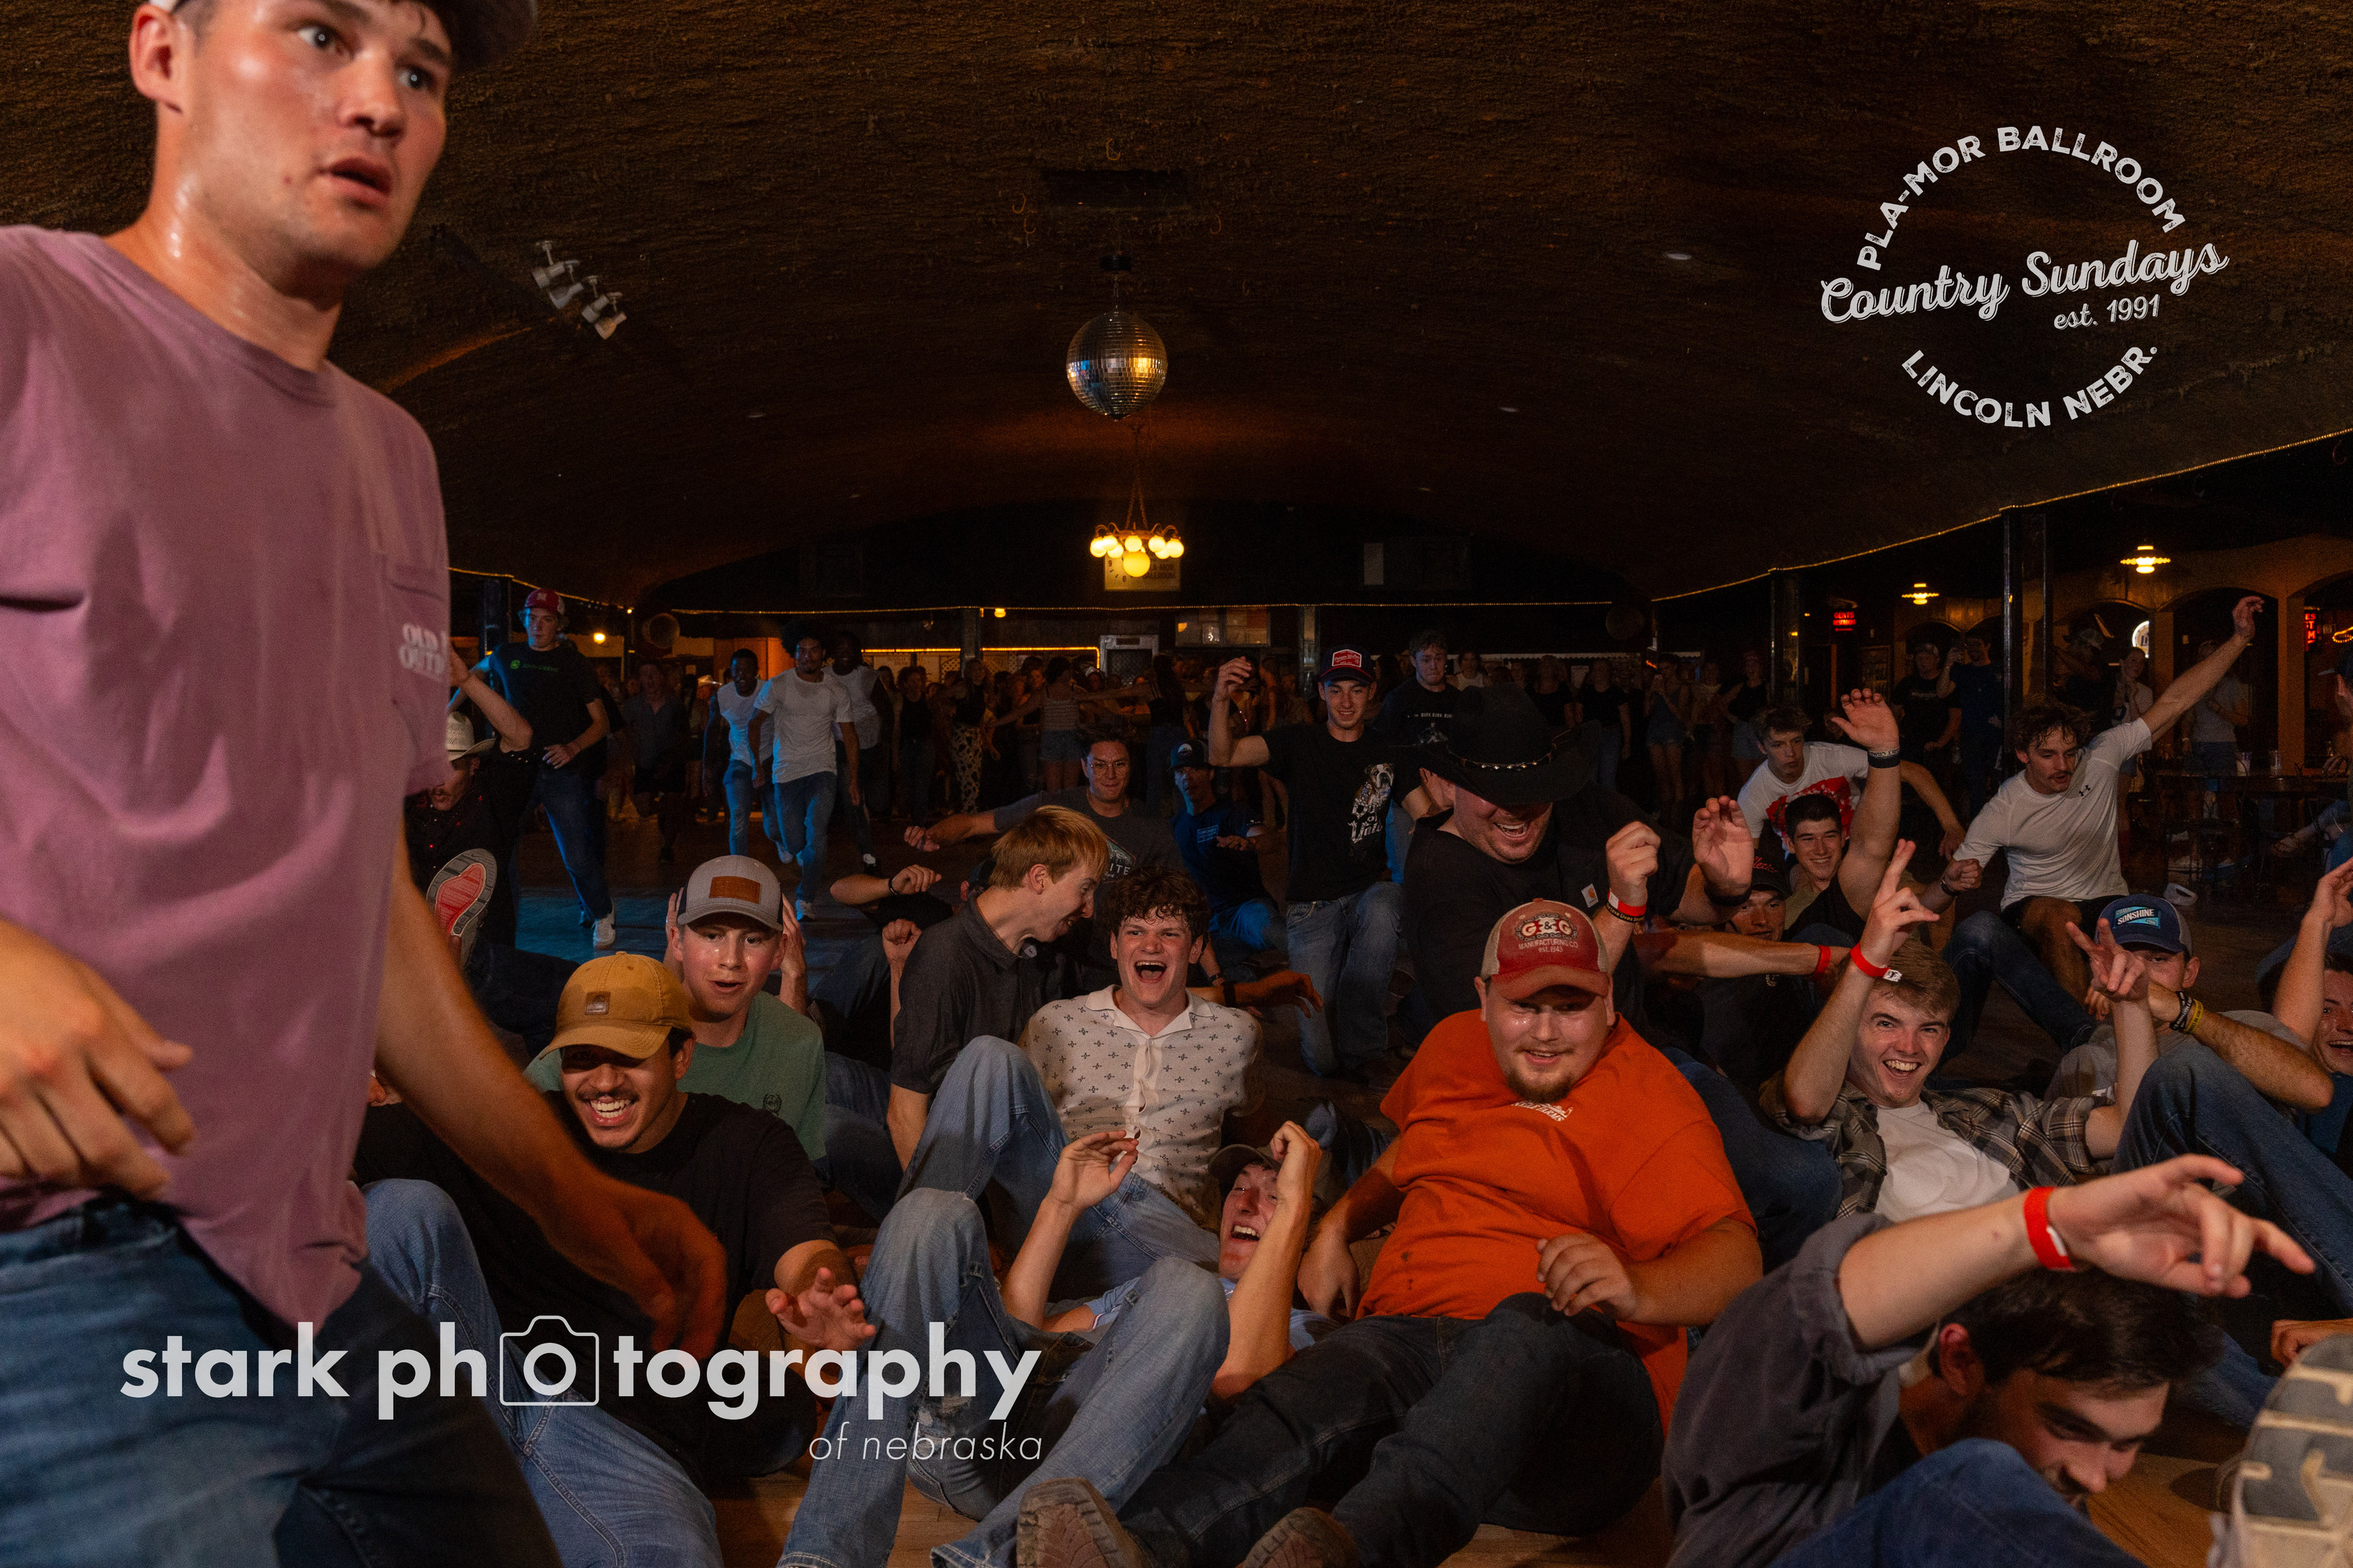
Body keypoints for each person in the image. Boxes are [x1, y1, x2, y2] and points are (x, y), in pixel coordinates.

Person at [0, 2, 735, 1559]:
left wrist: (563, 1194)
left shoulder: (392, 459)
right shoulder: (28, 316)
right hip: (47, 1274)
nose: (380, 102)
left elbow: (368, 899)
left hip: (304, 1268)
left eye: (419, 70)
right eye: (322, 34)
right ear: (161, 51)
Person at [1017, 900, 1761, 1568]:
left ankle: (1357, 1552)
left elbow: (1738, 1259)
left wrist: (1636, 1286)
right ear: (1483, 999)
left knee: (1526, 1325)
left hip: (1574, 1414)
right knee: (1308, 1390)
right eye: (1524, 1005)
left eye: (1571, 1006)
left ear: (1608, 1001)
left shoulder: (1650, 1092)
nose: (1544, 1031)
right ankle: (1142, 1545)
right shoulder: (1452, 1047)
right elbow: (1412, 1153)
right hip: (1414, 1345)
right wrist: (1338, 1226)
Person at [358, 955, 872, 1566]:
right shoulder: (518, 1133)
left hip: (624, 1440)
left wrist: (820, 1292)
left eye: (629, 1056)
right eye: (582, 1058)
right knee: (402, 1210)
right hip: (487, 1391)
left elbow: (805, 1250)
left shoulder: (746, 1144)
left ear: (680, 1056)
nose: (603, 1081)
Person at [1664, 1153, 2302, 1567]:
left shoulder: (2038, 1501)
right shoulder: (1805, 1434)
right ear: (1961, 1359)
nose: (2096, 1476)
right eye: (2071, 1427)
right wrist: (2046, 1225)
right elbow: (1818, 1310)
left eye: (2128, 1443)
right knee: (1976, 1481)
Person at [1402, 686, 1838, 1269]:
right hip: (1529, 1091)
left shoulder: (1585, 809)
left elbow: (1687, 892)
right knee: (1641, 1227)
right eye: (1494, 792)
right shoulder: (1439, 873)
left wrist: (1725, 884)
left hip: (1638, 1054)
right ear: (1446, 784)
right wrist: (1623, 908)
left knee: (1805, 1182)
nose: (1518, 810)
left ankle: (1744, 1308)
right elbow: (1539, 1020)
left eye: (1536, 788)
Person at [779, 1124, 1326, 1568]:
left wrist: (1298, 1209)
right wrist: (1062, 1205)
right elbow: (1019, 1329)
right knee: (932, 1212)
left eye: (1274, 1194)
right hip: (988, 1424)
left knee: (1190, 1289)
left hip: (1081, 1466)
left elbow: (1236, 1373)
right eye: (1239, 1188)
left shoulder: (1304, 1330)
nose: (1247, 1202)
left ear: (1299, 1221)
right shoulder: (1153, 1286)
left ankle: (992, 1559)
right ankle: (821, 1560)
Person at [1924, 596, 2265, 1006]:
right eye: (2048, 756)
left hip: (2106, 899)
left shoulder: (2101, 755)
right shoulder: (2004, 808)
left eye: (2070, 753)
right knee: (2061, 918)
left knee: (2161, 925)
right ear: (2023, 755)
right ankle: (2082, 1030)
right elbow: (1941, 895)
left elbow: (2177, 700)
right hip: (2036, 906)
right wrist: (1948, 886)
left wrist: (2239, 639)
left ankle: (2156, 1028)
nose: (2063, 766)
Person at [1212, 647, 1435, 1081]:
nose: (1346, 701)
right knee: (1322, 1061)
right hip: (1311, 907)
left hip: (1367, 894)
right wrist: (1221, 697)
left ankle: (1365, 1043)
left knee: (1388, 900)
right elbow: (1224, 755)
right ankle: (1348, 1005)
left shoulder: (1388, 750)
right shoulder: (1299, 742)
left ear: (1372, 692)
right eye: (1336, 690)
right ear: (1321, 692)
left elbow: (1427, 817)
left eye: (1356, 690)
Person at [522, 856, 831, 1154]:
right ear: (677, 941)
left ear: (780, 951)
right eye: (712, 936)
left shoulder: (800, 1041)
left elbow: (796, 1167)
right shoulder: (622, 1020)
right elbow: (518, 1118)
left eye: (752, 940)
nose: (730, 960)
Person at [478, 587, 618, 948]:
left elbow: (601, 722)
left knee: (576, 854)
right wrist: (446, 711)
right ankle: (502, 925)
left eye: (547, 620)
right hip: (515, 767)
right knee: (502, 848)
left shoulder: (574, 663)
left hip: (559, 771)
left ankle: (602, 911)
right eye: (532, 619)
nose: (538, 626)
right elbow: (469, 677)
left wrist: (573, 747)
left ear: (559, 624)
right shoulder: (506, 654)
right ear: (524, 620)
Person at [411, 649, 536, 950]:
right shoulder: (412, 799)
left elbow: (520, 738)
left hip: (486, 951)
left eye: (451, 768)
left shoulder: (493, 796)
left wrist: (467, 681)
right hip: (423, 950)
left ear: (473, 765)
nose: (438, 781)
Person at [1737, 703, 1963, 859]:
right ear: (1762, 748)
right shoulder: (1754, 794)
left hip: (1857, 844)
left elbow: (1915, 772)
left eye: (1796, 741)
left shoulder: (1832, 757)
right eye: (1778, 745)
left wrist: (1952, 826)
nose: (1791, 753)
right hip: (1806, 859)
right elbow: (1747, 858)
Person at [754, 632, 860, 915]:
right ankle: (792, 847)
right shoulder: (779, 685)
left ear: (823, 653)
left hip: (822, 769)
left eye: (814, 650)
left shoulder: (836, 689)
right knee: (794, 842)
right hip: (786, 771)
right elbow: (755, 723)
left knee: (817, 830)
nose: (808, 656)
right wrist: (756, 764)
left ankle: (806, 898)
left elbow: (850, 735)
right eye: (802, 650)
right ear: (794, 654)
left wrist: (854, 779)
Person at [1169, 739, 1287, 970]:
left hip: (1244, 909)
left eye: (1196, 769)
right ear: (1174, 779)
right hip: (1206, 922)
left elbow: (1268, 840)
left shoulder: (1232, 813)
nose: (1188, 777)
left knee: (1277, 932)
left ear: (1211, 773)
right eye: (1181, 771)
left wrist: (1250, 843)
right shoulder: (1175, 826)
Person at [620, 658, 693, 864]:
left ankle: (667, 847)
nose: (650, 679)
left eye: (653, 674)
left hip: (672, 761)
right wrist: (627, 760)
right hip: (645, 761)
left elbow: (684, 735)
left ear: (661, 677)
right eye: (645, 675)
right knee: (644, 808)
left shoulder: (674, 705)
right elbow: (624, 734)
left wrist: (674, 759)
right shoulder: (632, 706)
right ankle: (664, 810)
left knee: (672, 803)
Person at [831, 634, 887, 871]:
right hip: (841, 746)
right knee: (853, 802)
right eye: (840, 648)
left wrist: (886, 747)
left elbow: (886, 712)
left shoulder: (867, 676)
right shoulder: (825, 677)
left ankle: (866, 836)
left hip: (870, 746)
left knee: (879, 802)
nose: (845, 654)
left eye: (850, 649)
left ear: (857, 653)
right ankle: (868, 855)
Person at [705, 648, 766, 857]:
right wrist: (707, 767)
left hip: (769, 758)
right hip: (740, 760)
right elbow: (712, 731)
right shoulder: (722, 696)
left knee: (775, 824)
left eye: (747, 669)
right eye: (736, 669)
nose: (741, 675)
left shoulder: (768, 691)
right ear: (730, 672)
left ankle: (780, 838)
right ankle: (739, 865)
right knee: (738, 815)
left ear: (756, 671)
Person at [1947, 633, 2006, 817]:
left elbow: (2013, 698)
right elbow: (1942, 692)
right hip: (1971, 736)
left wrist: (2004, 723)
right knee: (1975, 786)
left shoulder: (1999, 669)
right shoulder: (1962, 671)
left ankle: (1999, 824)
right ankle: (1978, 826)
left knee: (1999, 784)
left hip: (1995, 736)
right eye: (1969, 645)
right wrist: (1948, 664)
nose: (1972, 648)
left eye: (1976, 644)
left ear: (1987, 646)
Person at [1891, 638, 1959, 774]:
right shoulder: (1907, 683)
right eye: (1920, 658)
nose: (1923, 662)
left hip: (1938, 746)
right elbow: (1894, 714)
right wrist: (1896, 738)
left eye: (1927, 658)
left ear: (1937, 660)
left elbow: (1955, 718)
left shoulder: (1947, 684)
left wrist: (1940, 743)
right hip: (1911, 744)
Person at [2189, 635, 2254, 774]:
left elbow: (2243, 719)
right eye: (2204, 657)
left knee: (2223, 785)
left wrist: (2218, 709)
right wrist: (2185, 739)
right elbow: (2189, 717)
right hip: (2198, 744)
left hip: (2223, 745)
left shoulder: (2232, 684)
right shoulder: (2195, 684)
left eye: (2212, 656)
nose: (2208, 661)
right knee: (2195, 785)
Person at [1646, 656, 1693, 809]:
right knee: (1661, 775)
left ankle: (1678, 811)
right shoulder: (1657, 687)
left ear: (1674, 667)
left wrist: (1665, 695)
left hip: (1672, 729)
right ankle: (1666, 810)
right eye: (1661, 669)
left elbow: (1681, 715)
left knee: (1675, 774)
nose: (1664, 672)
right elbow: (1646, 713)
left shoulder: (1683, 687)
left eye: (1667, 668)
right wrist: (1650, 694)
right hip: (1655, 729)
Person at [1722, 648, 1771, 788]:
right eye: (1748, 665)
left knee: (1760, 772)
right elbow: (1721, 702)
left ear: (1760, 667)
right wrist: (1731, 717)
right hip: (1742, 729)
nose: (1751, 668)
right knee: (1744, 774)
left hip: (1759, 730)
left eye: (1754, 665)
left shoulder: (1767, 687)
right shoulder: (1740, 687)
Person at [896, 663, 938, 821]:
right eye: (912, 680)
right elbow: (897, 728)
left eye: (919, 680)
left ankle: (919, 820)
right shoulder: (901, 701)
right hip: (907, 745)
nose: (916, 684)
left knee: (922, 784)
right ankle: (913, 815)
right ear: (905, 683)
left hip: (924, 744)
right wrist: (895, 753)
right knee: (908, 784)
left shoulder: (927, 700)